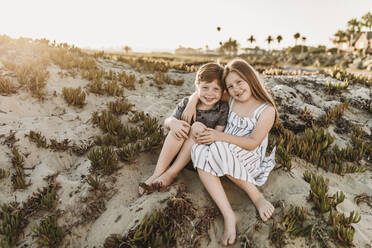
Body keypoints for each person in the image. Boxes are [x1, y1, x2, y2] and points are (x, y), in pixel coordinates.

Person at [181, 58, 278, 246]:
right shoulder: (231, 99)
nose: (236, 89)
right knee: (199, 149)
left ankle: (256, 196)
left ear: (250, 78)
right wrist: (192, 102)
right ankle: (229, 214)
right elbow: (205, 93)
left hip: (248, 157)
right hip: (223, 150)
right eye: (230, 86)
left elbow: (252, 143)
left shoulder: (266, 110)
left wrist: (219, 137)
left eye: (239, 82)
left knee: (215, 146)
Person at [139, 62, 229, 195]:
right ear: (197, 88)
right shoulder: (188, 103)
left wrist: (200, 133)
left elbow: (218, 134)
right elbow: (168, 121)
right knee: (179, 125)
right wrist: (173, 123)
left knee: (197, 127)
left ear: (223, 91)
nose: (210, 93)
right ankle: (157, 173)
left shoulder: (222, 108)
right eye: (205, 87)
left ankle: (170, 174)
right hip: (173, 153)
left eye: (216, 89)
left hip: (195, 158)